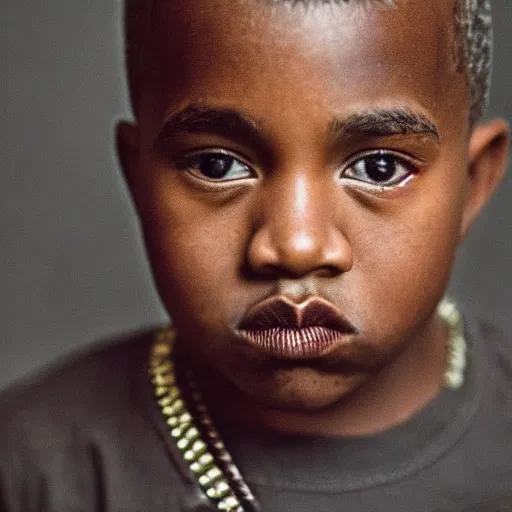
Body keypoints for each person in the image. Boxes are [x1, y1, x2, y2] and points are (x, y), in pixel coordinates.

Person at [1, 0, 511, 510]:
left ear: (471, 185)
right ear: (139, 182)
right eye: (218, 165)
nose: (295, 246)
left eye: (378, 169)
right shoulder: (27, 469)